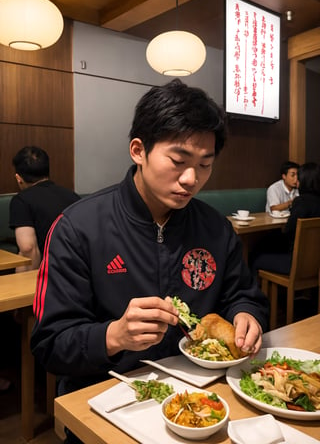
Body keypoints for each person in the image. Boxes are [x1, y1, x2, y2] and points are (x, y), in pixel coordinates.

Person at [31, 79, 269, 402]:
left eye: (205, 165)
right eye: (178, 161)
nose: (191, 179)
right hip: (107, 398)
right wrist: (113, 335)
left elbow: (243, 295)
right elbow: (50, 345)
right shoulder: (77, 228)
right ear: (138, 151)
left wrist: (247, 315)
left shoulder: (215, 228)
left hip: (200, 397)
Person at [9, 146, 80, 271]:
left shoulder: (21, 200)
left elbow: (28, 248)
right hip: (78, 271)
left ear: (18, 178)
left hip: (49, 276)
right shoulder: (73, 196)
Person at [253, 162, 320, 275]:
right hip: (316, 264)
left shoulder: (301, 202)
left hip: (295, 263)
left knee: (255, 255)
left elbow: (289, 231)